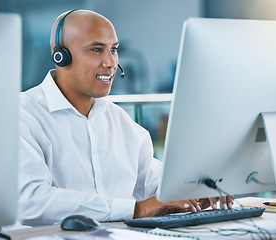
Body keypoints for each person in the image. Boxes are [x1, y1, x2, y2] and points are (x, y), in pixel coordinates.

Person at [15, 9, 233, 228]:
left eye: (113, 49)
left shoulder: (120, 120)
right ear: (60, 54)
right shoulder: (22, 116)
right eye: (96, 49)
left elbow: (151, 181)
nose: (110, 62)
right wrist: (136, 209)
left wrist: (194, 191)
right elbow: (31, 201)